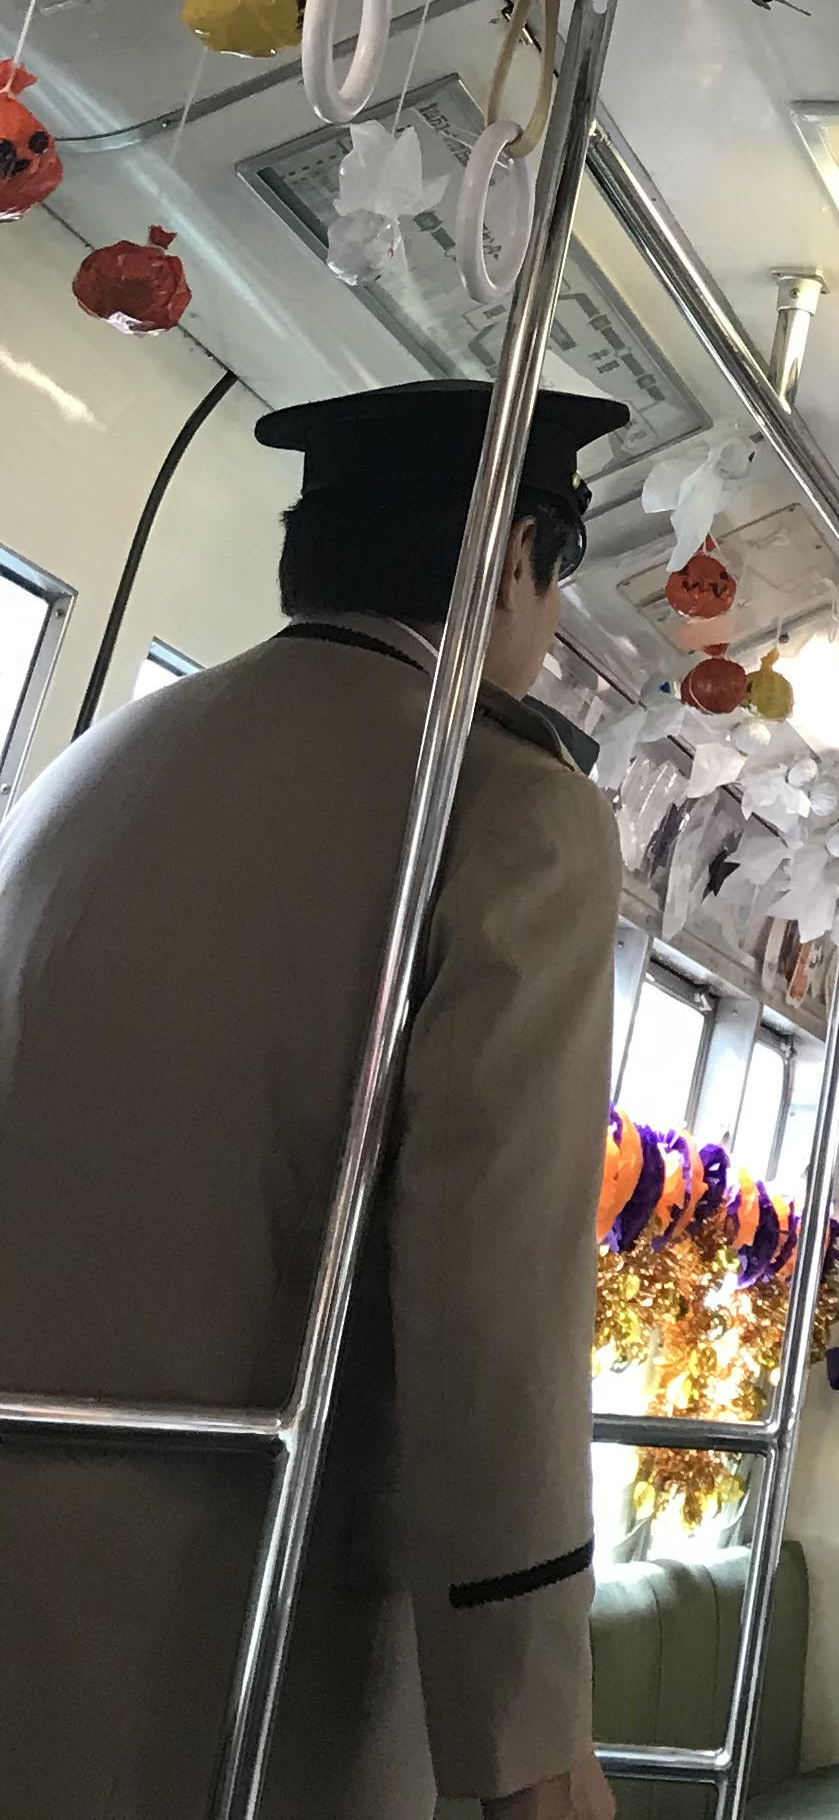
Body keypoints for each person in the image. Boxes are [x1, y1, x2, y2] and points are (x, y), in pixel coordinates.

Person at [0, 379, 631, 1820]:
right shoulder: (504, 802)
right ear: (518, 560)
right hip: (234, 1655)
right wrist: (533, 1742)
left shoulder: (89, 769)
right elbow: (494, 1291)